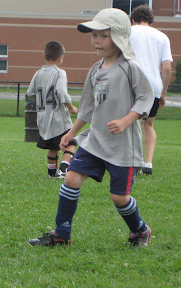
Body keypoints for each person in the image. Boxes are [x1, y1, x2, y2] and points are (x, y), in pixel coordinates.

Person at [29, 8, 154, 248]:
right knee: (71, 180)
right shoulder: (95, 70)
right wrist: (71, 133)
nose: (97, 40)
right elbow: (86, 108)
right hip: (94, 141)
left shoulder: (130, 68)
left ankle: (140, 230)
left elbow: (145, 98)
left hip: (122, 147)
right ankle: (61, 234)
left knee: (118, 196)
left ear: (118, 37)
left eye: (103, 35)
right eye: (94, 35)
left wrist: (126, 120)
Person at [130, 5, 173, 175]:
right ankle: (147, 163)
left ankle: (129, 160)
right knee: (148, 124)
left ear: (133, 19)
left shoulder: (128, 32)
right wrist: (162, 92)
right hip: (153, 86)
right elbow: (167, 67)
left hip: (131, 82)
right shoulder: (162, 37)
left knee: (127, 121)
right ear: (151, 20)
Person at [26, 41, 78, 179]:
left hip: (43, 118)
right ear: (61, 57)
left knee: (53, 147)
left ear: (45, 55)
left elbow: (30, 92)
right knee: (71, 143)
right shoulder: (60, 73)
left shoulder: (38, 73)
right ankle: (63, 169)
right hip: (58, 118)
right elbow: (61, 91)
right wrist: (72, 107)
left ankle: (51, 173)